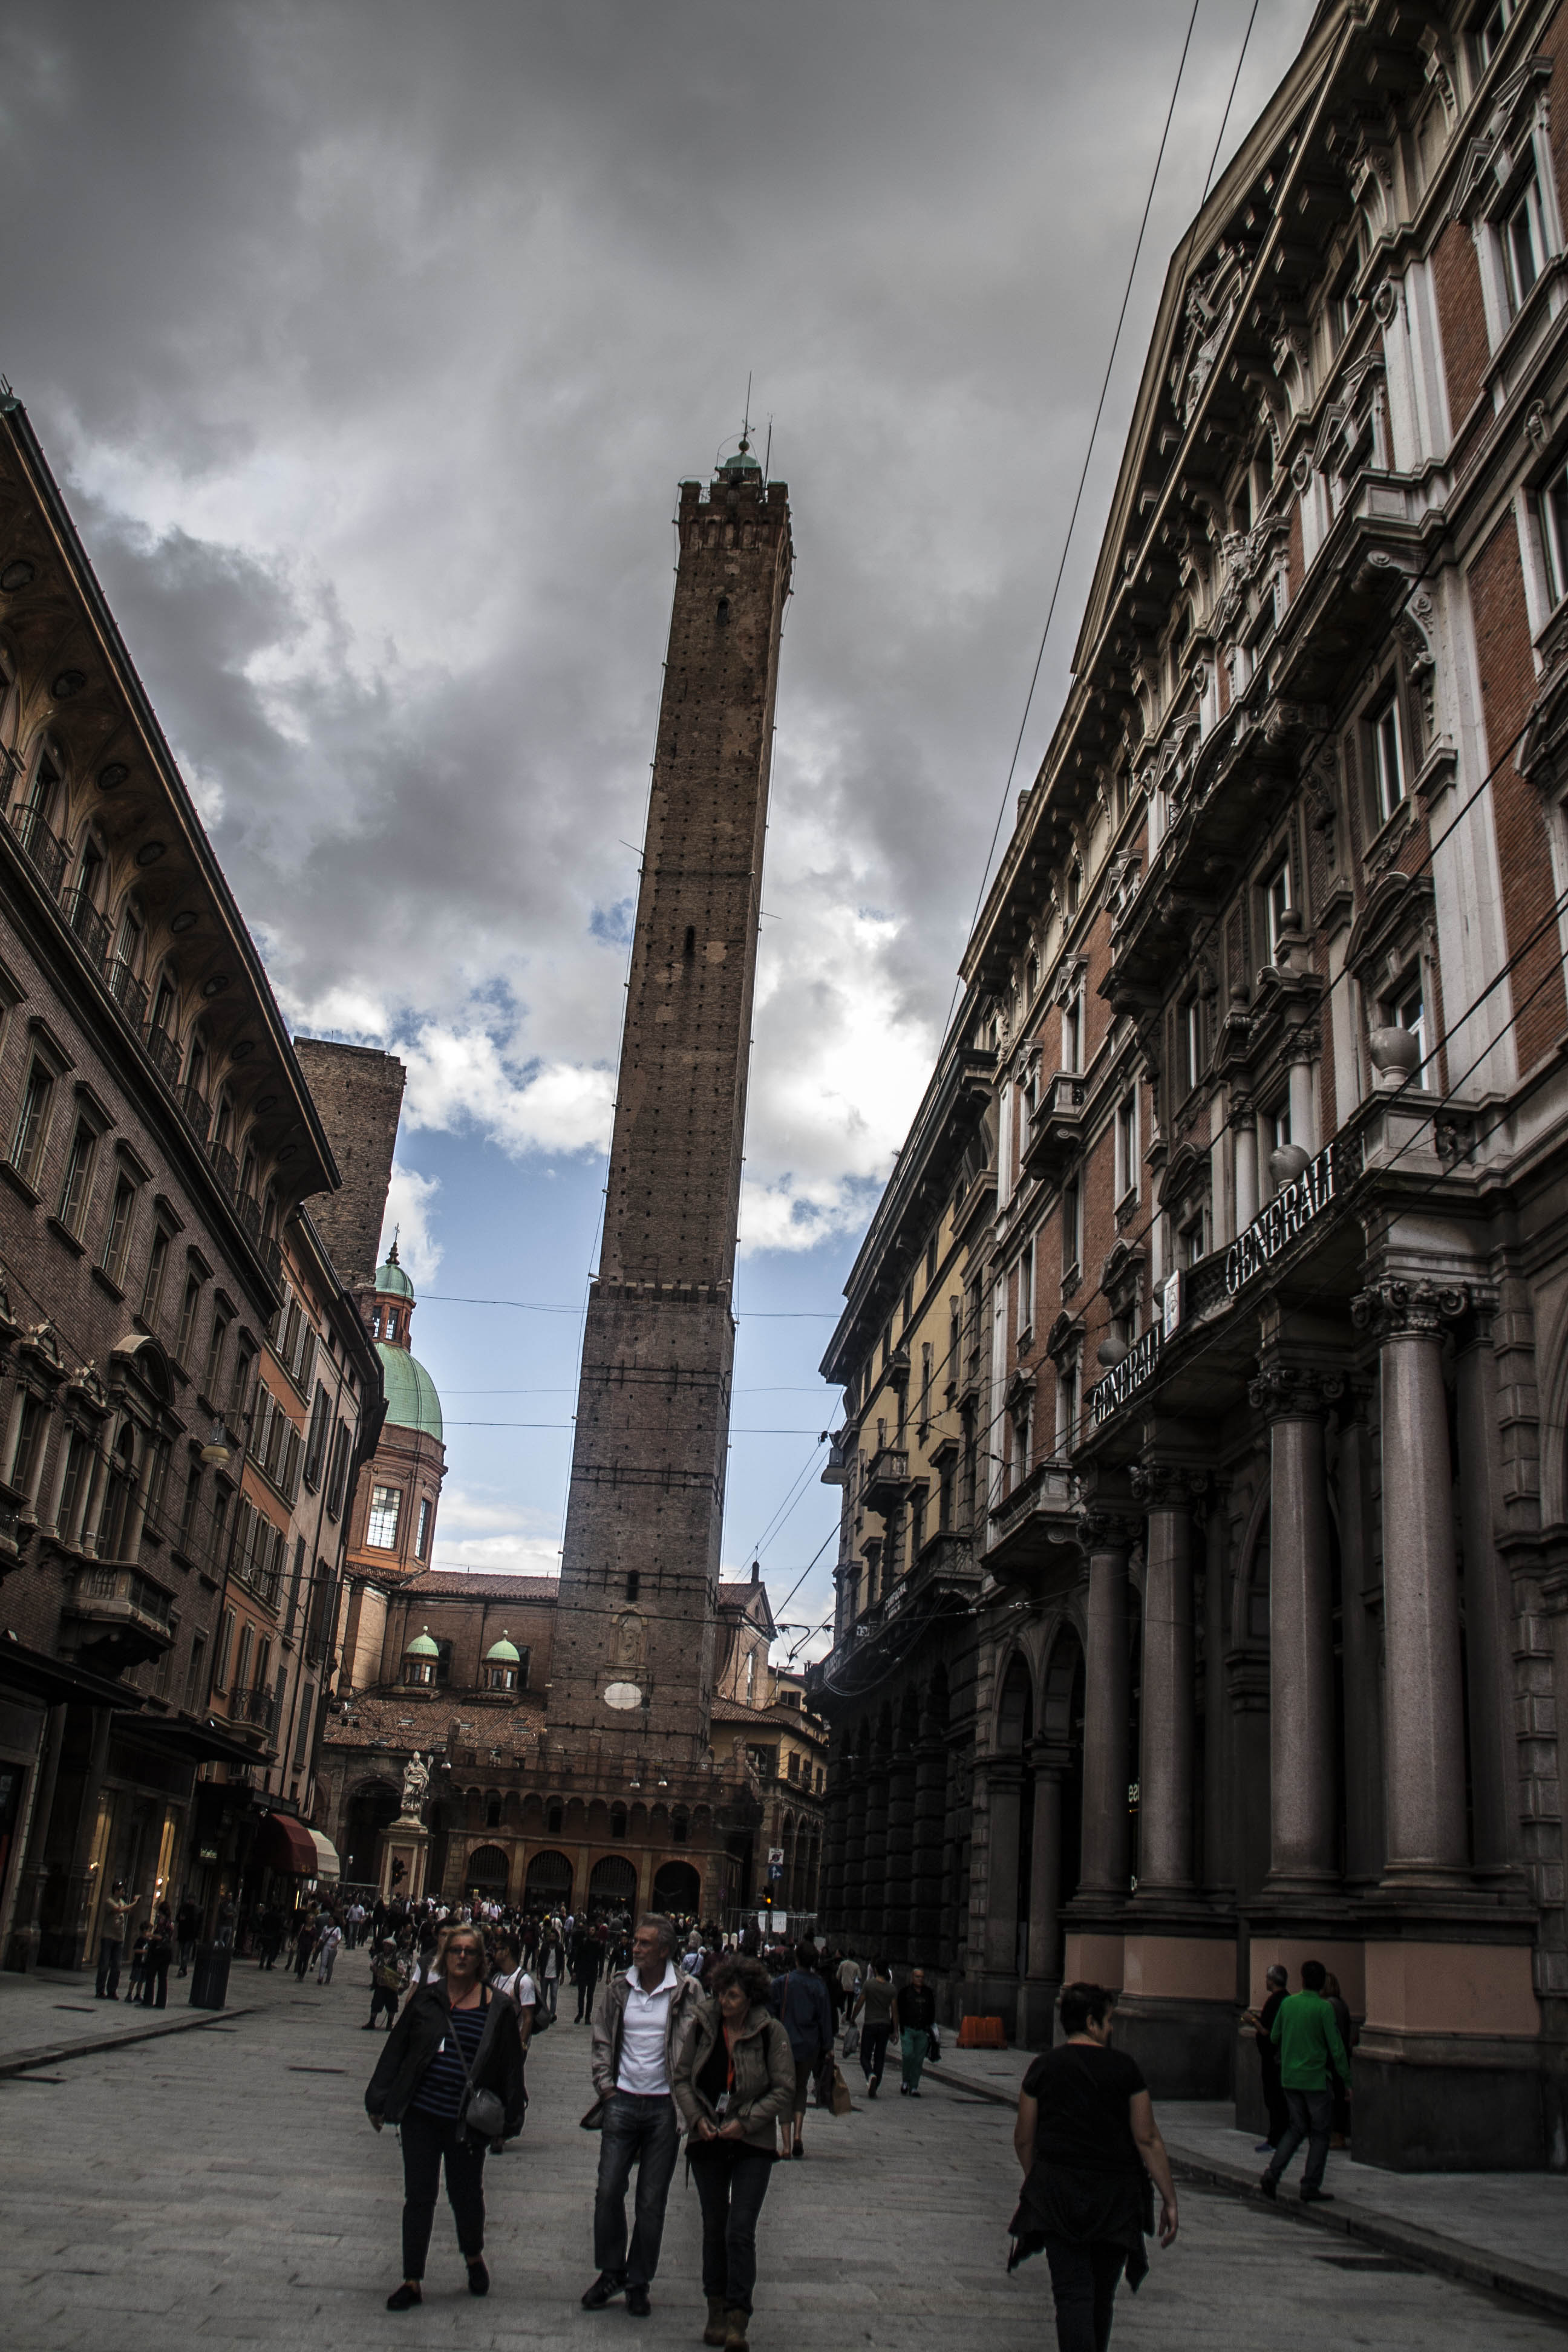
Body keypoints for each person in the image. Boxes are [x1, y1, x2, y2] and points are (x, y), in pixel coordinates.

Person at [365, 1920, 526, 2312]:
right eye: (456, 1950)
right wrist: (378, 2099)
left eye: (470, 1951)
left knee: (466, 2196)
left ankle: (473, 2255)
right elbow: (398, 2047)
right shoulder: (428, 2000)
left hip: (466, 2122)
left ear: (481, 1960)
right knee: (419, 2197)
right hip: (421, 2115)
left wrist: (511, 2115)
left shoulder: (497, 2007)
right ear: (444, 1955)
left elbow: (509, 2065)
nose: (462, 1956)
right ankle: (412, 2280)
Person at [1008, 1982, 1178, 2352]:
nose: (1112, 2028)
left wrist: (1040, 2179)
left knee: (1071, 2297)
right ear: (1092, 2021)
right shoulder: (1125, 2069)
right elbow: (1147, 2138)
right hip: (1116, 2199)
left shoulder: (1043, 2067)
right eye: (1109, 2020)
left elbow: (1023, 2137)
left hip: (1058, 2195)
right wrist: (1170, 2200)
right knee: (1102, 2297)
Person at [582, 1911, 703, 2318]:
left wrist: (690, 2102)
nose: (635, 1947)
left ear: (665, 1951)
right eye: (635, 1942)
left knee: (652, 2202)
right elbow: (601, 2036)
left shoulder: (688, 1991)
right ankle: (612, 2269)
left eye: (644, 1943)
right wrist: (606, 2088)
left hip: (664, 2109)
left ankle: (638, 2281)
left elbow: (701, 2047)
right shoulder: (620, 1987)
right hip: (622, 2101)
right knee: (608, 2191)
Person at [673, 1954, 794, 2352]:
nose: (724, 2001)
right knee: (713, 2229)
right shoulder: (703, 2025)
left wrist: (747, 2121)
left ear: (750, 1999)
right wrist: (697, 2121)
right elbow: (681, 2078)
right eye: (722, 1993)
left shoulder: (770, 2032)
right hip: (708, 2139)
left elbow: (784, 2088)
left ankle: (739, 2317)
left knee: (739, 2230)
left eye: (734, 1996)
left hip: (751, 2143)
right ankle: (715, 2309)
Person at [1259, 1958, 1351, 2206]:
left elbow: (1275, 2035)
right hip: (1316, 2080)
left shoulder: (1288, 2004)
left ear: (1302, 1980)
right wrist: (1347, 2080)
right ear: (1321, 1984)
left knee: (1296, 2128)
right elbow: (1337, 2049)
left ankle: (1272, 2174)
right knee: (1320, 2134)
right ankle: (1310, 2184)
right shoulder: (1324, 2009)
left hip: (1290, 2078)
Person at [767, 1941, 833, 2160]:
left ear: (796, 1959)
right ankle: (798, 2135)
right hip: (810, 2046)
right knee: (801, 2088)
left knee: (785, 2090)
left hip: (786, 2045)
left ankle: (785, 2146)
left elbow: (769, 2008)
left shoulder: (783, 1982)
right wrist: (828, 2046)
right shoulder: (819, 1986)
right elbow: (825, 2018)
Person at [1240, 1964, 1290, 2153]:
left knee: (1275, 2100)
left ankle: (1276, 2138)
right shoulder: (1287, 2000)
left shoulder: (1275, 2002)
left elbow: (1268, 2032)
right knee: (1280, 2101)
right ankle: (1280, 2137)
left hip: (1273, 2059)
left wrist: (1252, 2020)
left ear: (1271, 1980)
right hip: (1282, 2057)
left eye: (1267, 1979)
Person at [852, 1962, 896, 2097]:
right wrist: (895, 2030)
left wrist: (853, 2017)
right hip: (885, 2025)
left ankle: (870, 2075)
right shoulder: (892, 1989)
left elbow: (860, 2002)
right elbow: (895, 2011)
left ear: (875, 1970)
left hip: (870, 2024)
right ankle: (875, 2086)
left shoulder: (869, 1985)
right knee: (880, 2057)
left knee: (865, 2056)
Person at [893, 1965, 938, 2097]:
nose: (920, 1979)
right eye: (917, 1977)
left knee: (918, 2060)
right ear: (912, 1977)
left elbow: (932, 2011)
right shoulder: (905, 1992)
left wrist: (930, 2028)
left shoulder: (928, 1993)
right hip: (907, 2029)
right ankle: (905, 2080)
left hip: (923, 2031)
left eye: (922, 1977)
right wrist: (895, 2029)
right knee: (908, 2055)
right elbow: (897, 2011)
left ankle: (914, 2086)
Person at [1323, 1970, 1356, 2149]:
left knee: (1335, 2097)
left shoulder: (1329, 2006)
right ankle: (1338, 2134)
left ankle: (1336, 2135)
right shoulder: (1342, 2004)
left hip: (1334, 2057)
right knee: (1340, 2097)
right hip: (1342, 2053)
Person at [96, 1882, 141, 1999]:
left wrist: (134, 1904)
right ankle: (100, 1990)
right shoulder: (109, 1902)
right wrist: (134, 1903)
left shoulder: (122, 1902)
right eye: (122, 1891)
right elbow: (119, 1910)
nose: (124, 1893)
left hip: (119, 1938)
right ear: (116, 1891)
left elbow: (128, 1911)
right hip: (108, 1937)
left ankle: (112, 1991)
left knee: (116, 1966)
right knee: (104, 1965)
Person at [366, 1938, 408, 2031]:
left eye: (388, 1946)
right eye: (385, 1945)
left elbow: (402, 1972)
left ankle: (389, 2024)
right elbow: (372, 1965)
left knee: (392, 2006)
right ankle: (372, 2022)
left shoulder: (397, 1959)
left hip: (391, 1987)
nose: (386, 1948)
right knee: (376, 2004)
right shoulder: (379, 1957)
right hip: (381, 1985)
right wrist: (376, 1970)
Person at [574, 1920, 606, 2022]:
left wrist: (601, 1973)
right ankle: (580, 2013)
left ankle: (588, 2016)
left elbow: (601, 1960)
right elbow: (578, 1957)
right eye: (590, 1930)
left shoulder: (600, 1944)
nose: (591, 1932)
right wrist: (575, 1971)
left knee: (590, 1995)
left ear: (596, 1931)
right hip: (583, 1971)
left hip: (593, 1972)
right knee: (581, 1994)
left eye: (593, 1930)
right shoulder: (584, 1942)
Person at [175, 1898, 200, 1978]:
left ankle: (182, 1969)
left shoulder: (195, 1911)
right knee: (183, 1952)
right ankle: (183, 1969)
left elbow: (197, 1924)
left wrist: (196, 1936)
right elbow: (178, 1918)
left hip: (189, 1936)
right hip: (183, 1934)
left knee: (185, 1952)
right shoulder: (184, 1908)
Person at [316, 1915, 344, 1986]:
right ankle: (321, 1977)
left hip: (333, 1948)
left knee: (330, 1964)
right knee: (323, 1962)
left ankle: (328, 1979)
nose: (329, 1921)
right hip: (326, 1946)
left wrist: (335, 1944)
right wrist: (319, 1942)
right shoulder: (325, 1928)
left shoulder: (337, 1929)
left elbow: (339, 1938)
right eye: (329, 1920)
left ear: (334, 1921)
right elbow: (322, 1936)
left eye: (331, 1920)